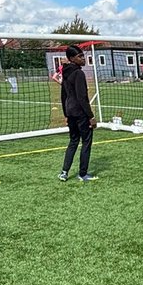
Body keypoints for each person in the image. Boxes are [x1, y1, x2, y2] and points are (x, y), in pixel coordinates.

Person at [58, 45, 97, 182]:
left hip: (70, 111)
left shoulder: (66, 72)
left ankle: (64, 172)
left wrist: (66, 114)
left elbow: (63, 96)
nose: (83, 58)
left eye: (83, 55)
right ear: (72, 58)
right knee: (86, 141)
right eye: (80, 56)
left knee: (73, 141)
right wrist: (91, 116)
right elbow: (82, 97)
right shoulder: (79, 73)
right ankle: (83, 173)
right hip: (80, 113)